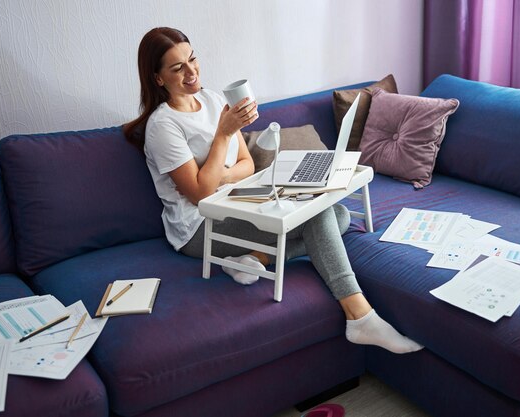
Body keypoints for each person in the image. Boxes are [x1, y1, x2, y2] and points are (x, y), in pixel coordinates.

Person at [124, 27, 423, 354]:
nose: (192, 71)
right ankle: (360, 314)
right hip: (198, 227)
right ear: (158, 78)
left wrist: (220, 174)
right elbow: (199, 194)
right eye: (177, 67)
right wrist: (223, 137)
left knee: (336, 214)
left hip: (239, 201)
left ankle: (254, 258)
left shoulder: (211, 99)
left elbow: (247, 165)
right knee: (320, 215)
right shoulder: (163, 126)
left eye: (192, 59)